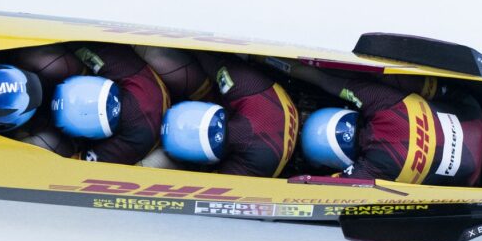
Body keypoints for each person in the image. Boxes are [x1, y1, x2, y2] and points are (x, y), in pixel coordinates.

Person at [277, 60, 482, 186]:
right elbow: (333, 82)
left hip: (471, 174)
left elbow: (327, 187)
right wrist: (286, 66)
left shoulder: (373, 167)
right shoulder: (382, 105)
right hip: (473, 111)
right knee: (391, 82)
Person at [139, 48, 299, 176]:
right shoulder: (244, 84)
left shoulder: (255, 165)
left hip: (259, 149)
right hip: (252, 101)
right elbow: (204, 53)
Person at [34, 43, 170, 165]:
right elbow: (87, 48)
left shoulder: (132, 141)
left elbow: (79, 169)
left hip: (153, 141)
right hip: (147, 91)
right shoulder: (123, 70)